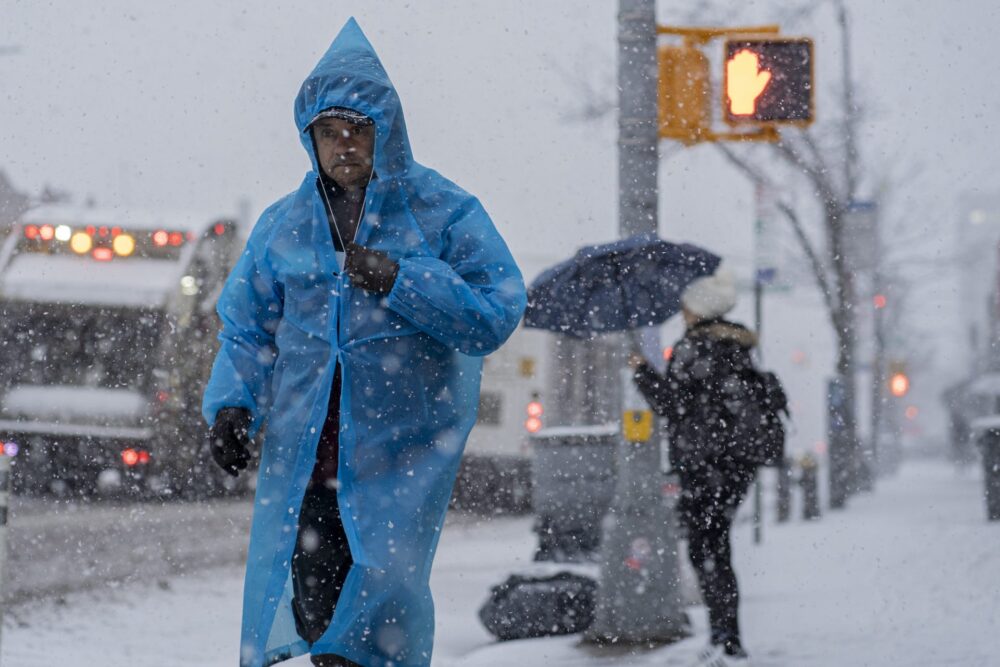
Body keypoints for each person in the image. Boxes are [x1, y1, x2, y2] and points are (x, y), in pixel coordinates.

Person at [203, 18, 526, 667]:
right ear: (310, 138)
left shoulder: (444, 212)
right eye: (329, 130)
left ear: (387, 131)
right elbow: (246, 325)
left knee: (381, 624)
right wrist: (233, 405)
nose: (344, 142)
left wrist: (402, 279)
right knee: (324, 623)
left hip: (398, 469)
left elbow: (494, 311)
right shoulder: (282, 226)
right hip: (308, 469)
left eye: (359, 127)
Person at [629, 270, 760, 663]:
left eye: (687, 306)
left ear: (700, 309)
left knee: (707, 550)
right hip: (734, 464)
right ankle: (726, 636)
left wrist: (641, 372)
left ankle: (725, 638)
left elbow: (674, 406)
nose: (682, 312)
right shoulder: (737, 346)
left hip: (704, 463)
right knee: (717, 547)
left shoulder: (694, 347)